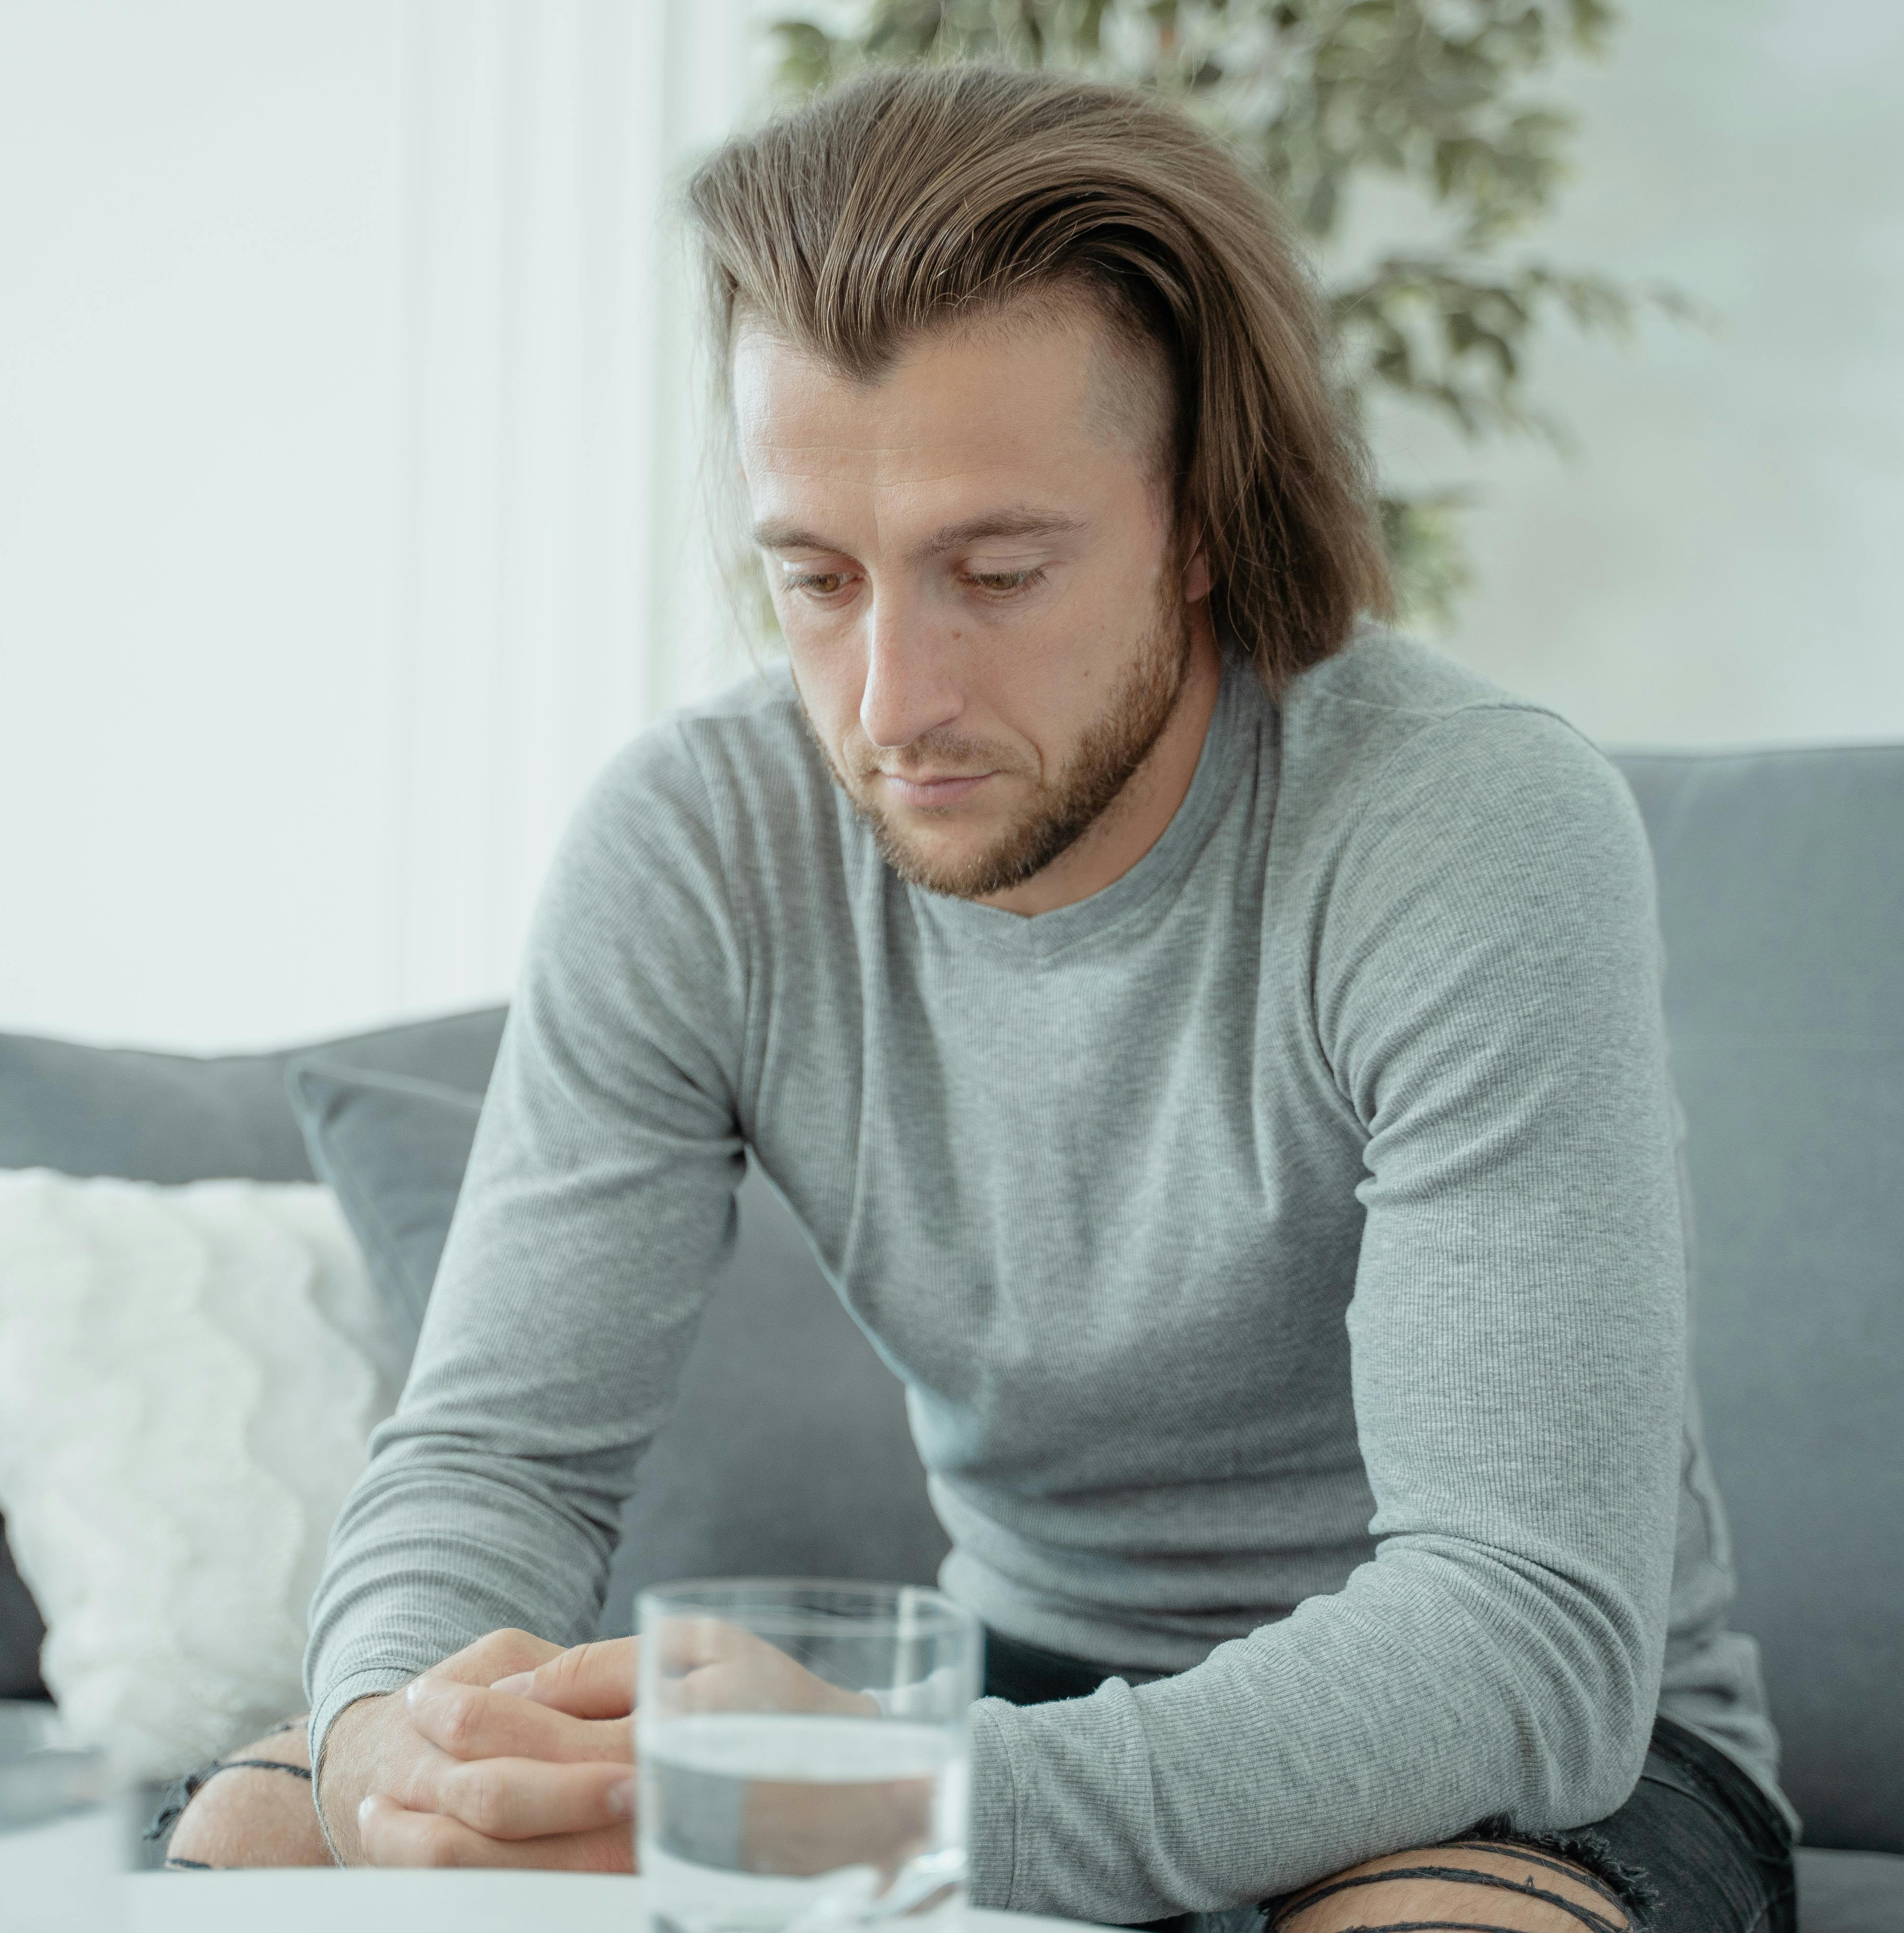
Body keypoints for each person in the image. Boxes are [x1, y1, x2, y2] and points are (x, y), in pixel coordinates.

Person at [168, 62, 1797, 1933]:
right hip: (1012, 1696)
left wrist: (882, 1812)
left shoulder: (1462, 825)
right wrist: (395, 1740)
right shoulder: (699, 842)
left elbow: (1522, 1626)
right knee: (273, 1823)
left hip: (1525, 1773)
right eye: (819, 580)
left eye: (996, 572)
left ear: (1201, 522)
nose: (889, 703)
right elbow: (491, 1452)